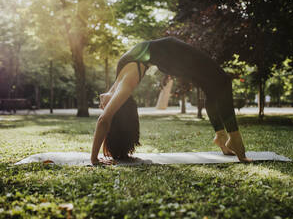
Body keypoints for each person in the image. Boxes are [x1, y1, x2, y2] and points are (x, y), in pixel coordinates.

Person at [90, 37, 252, 165]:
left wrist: (94, 158)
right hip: (169, 55)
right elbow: (105, 118)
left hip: (170, 53)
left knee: (213, 84)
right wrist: (96, 157)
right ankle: (232, 139)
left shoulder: (122, 87)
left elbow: (105, 120)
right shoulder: (117, 88)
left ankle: (223, 137)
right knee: (221, 81)